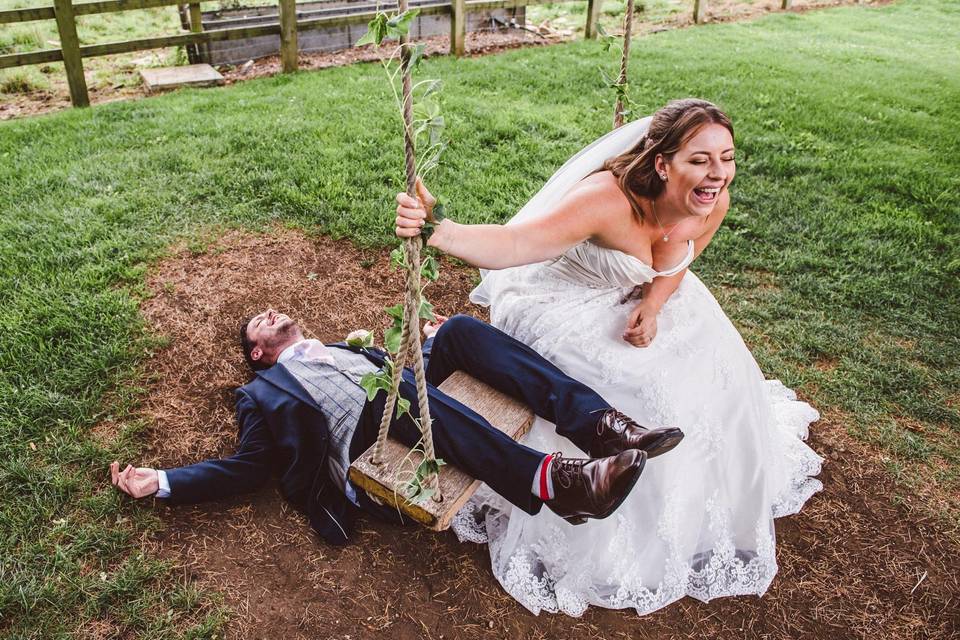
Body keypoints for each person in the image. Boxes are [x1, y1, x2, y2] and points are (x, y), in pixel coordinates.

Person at [394, 98, 823, 615]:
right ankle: (594, 481)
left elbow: (679, 262)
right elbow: (513, 245)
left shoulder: (715, 199)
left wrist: (654, 302)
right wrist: (438, 229)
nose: (717, 174)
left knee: (714, 371)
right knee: (628, 380)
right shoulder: (605, 200)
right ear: (662, 163)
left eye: (727, 158)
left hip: (638, 299)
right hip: (562, 300)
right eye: (699, 160)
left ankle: (690, 505)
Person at [110, 309, 685, 545]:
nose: (269, 311)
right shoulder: (262, 393)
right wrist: (162, 481)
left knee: (457, 330)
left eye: (273, 309)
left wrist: (430, 342)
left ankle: (602, 426)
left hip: (399, 396)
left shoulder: (339, 347)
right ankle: (554, 483)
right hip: (366, 438)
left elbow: (405, 368)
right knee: (398, 391)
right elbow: (252, 464)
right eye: (257, 322)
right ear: (259, 354)